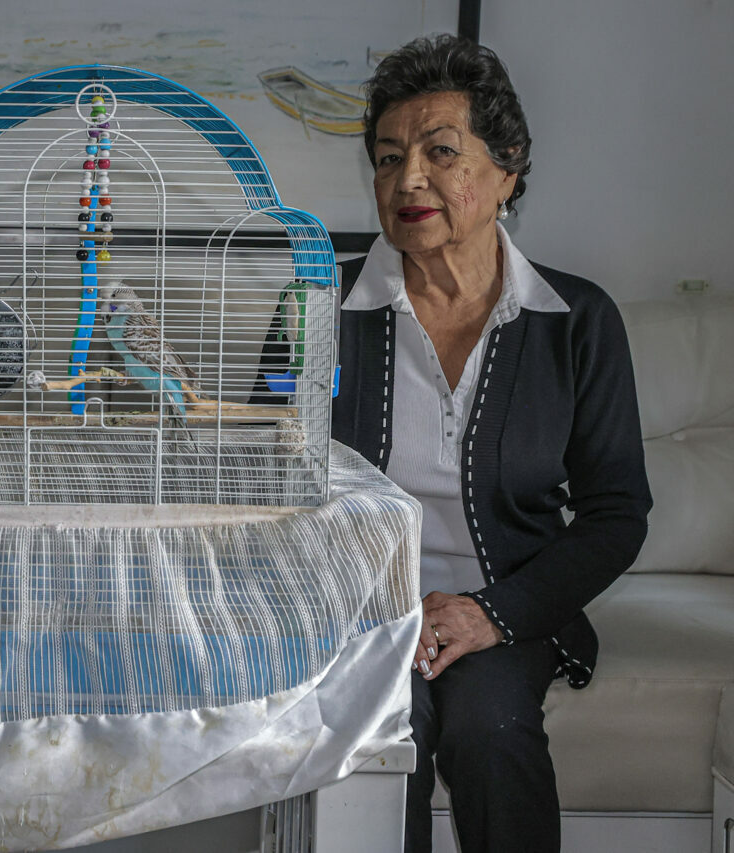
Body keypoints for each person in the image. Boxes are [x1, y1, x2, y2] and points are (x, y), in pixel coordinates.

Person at [257, 34, 651, 852]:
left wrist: (489, 614)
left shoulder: (576, 321)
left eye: (441, 152)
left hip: (508, 606)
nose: (408, 179)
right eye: (388, 157)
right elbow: (263, 479)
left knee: (490, 727)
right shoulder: (315, 306)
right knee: (381, 725)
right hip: (358, 612)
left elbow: (617, 513)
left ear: (508, 170)